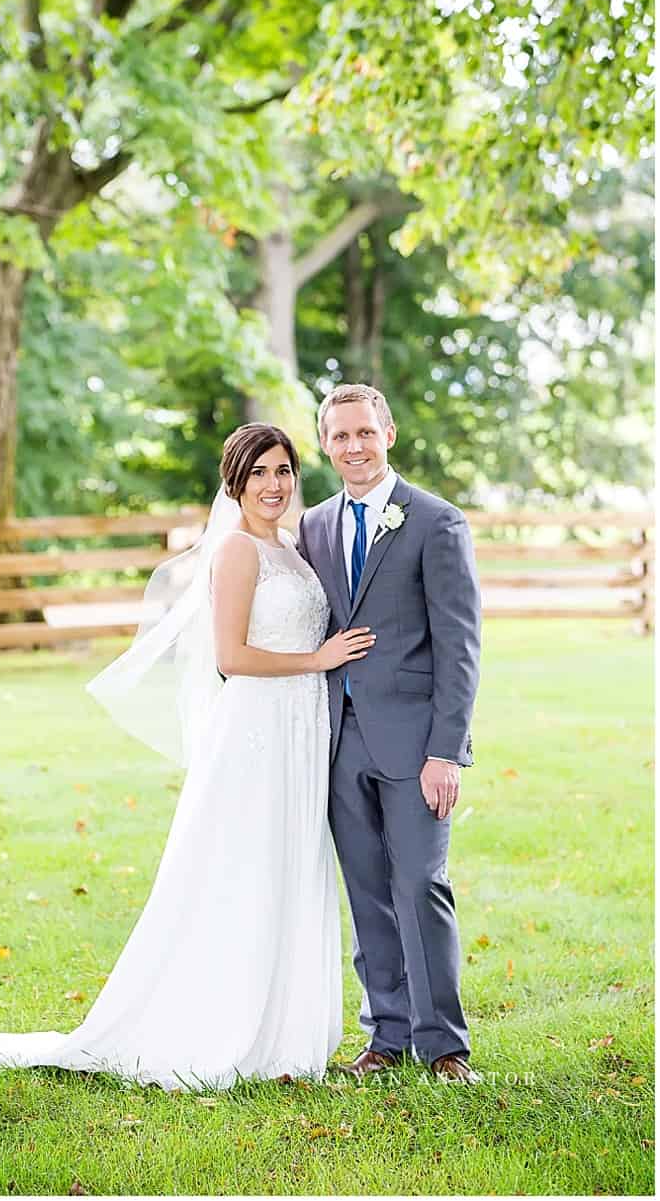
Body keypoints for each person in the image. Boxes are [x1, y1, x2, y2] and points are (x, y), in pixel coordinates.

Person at [0, 423, 375, 1090]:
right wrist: (318, 659)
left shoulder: (289, 547)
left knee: (287, 865)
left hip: (298, 730)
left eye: (282, 470)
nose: (274, 485)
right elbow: (231, 657)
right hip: (258, 729)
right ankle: (228, 1029)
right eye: (259, 473)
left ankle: (284, 1034)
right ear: (235, 482)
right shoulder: (238, 550)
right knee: (247, 866)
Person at [297, 384, 482, 1084]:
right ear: (325, 444)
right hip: (338, 743)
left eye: (364, 433)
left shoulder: (436, 521)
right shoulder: (313, 525)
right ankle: (386, 1036)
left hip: (415, 747)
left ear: (389, 434)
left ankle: (445, 1048)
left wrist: (445, 751)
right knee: (367, 891)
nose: (354, 446)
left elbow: (460, 647)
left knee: (420, 886)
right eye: (340, 436)